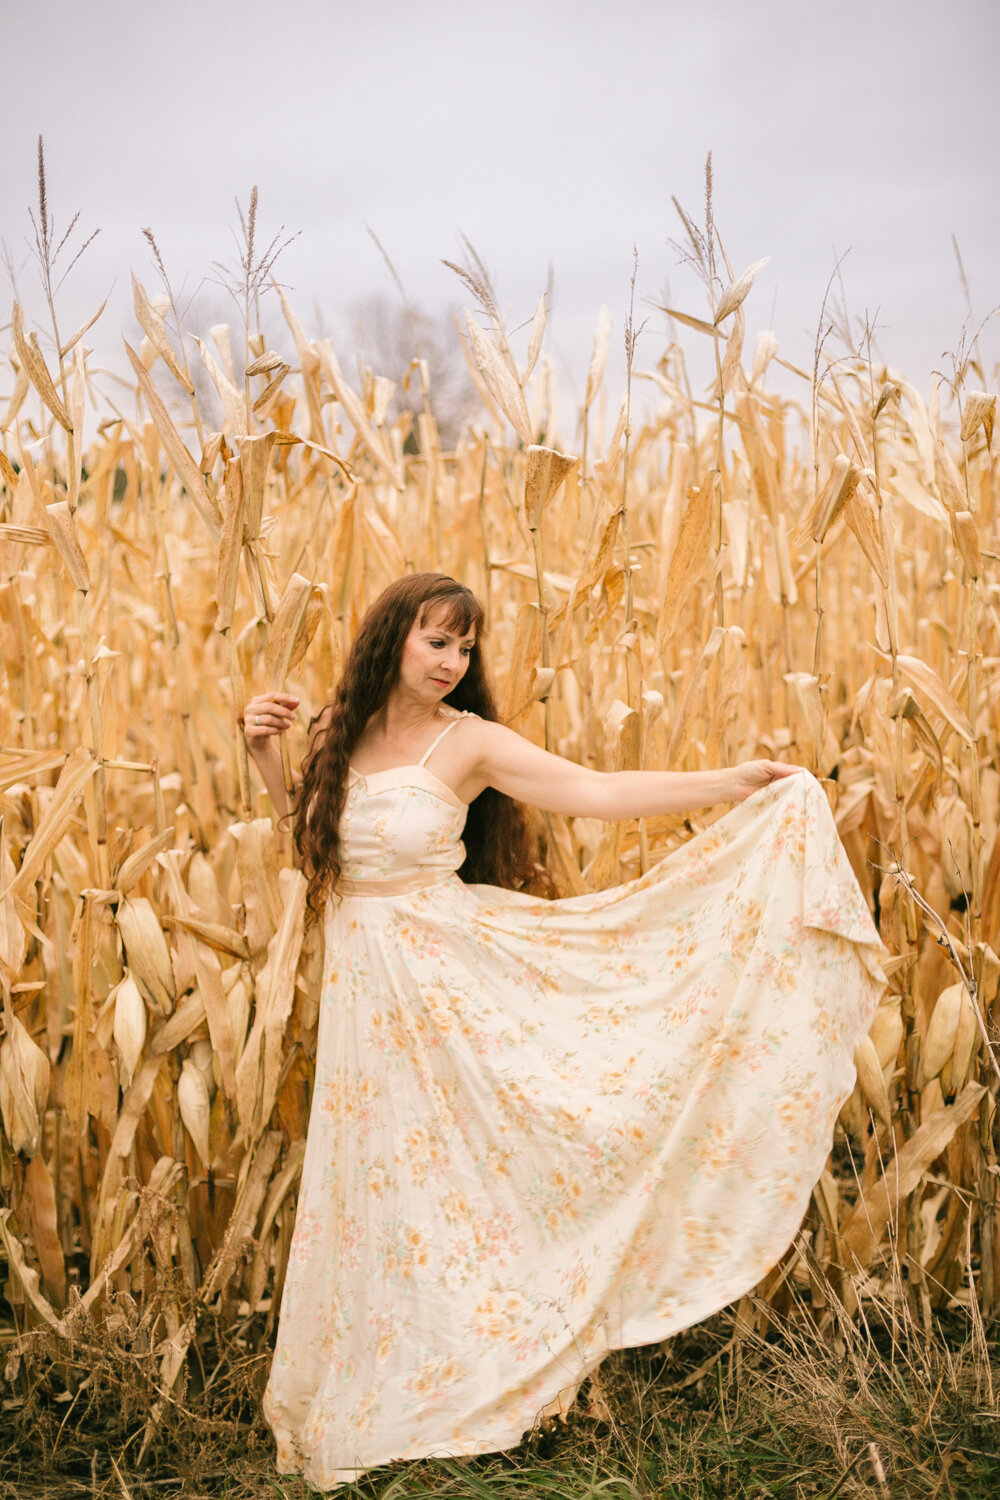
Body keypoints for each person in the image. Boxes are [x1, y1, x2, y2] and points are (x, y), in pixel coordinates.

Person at [245, 572, 885, 1491]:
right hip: (368, 998)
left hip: (448, 982)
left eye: (464, 647)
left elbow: (593, 791)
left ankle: (496, 1357)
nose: (452, 663)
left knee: (484, 1167)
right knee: (388, 1181)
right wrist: (265, 754)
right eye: (436, 642)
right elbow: (314, 852)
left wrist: (733, 781)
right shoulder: (340, 733)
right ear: (390, 639)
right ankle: (391, 1371)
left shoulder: (471, 742)